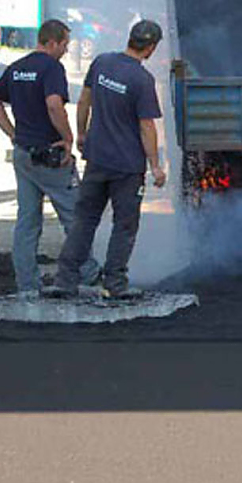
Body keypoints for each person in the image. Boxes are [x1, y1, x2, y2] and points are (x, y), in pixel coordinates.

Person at [55, 19, 167, 298]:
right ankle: (114, 284)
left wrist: (81, 135)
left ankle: (65, 281)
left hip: (97, 159)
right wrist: (155, 165)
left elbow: (84, 101)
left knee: (85, 220)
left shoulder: (102, 63)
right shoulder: (142, 80)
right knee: (125, 225)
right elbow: (146, 126)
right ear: (151, 48)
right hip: (127, 167)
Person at [0, 19, 79, 295]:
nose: (65, 50)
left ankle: (27, 284)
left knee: (27, 221)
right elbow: (54, 105)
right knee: (75, 217)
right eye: (64, 45)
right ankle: (86, 273)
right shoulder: (52, 68)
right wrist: (68, 139)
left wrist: (13, 135)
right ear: (52, 42)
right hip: (50, 155)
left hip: (24, 152)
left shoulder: (17, 68)